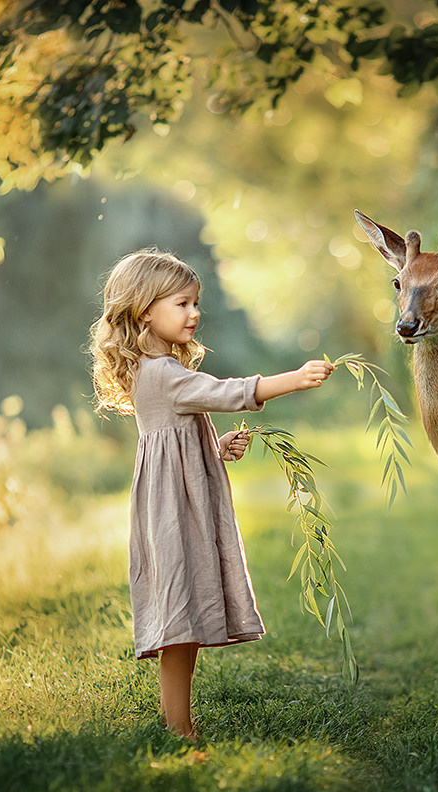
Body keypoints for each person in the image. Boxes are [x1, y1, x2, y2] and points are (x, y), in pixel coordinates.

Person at [89, 248, 334, 739]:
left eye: (195, 303)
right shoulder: (162, 373)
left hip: (174, 499)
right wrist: (293, 380)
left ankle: (179, 721)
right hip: (175, 510)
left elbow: (174, 439)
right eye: (181, 304)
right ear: (144, 310)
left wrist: (213, 447)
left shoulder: (156, 371)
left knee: (186, 614)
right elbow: (225, 392)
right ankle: (179, 727)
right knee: (181, 616)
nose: (194, 313)